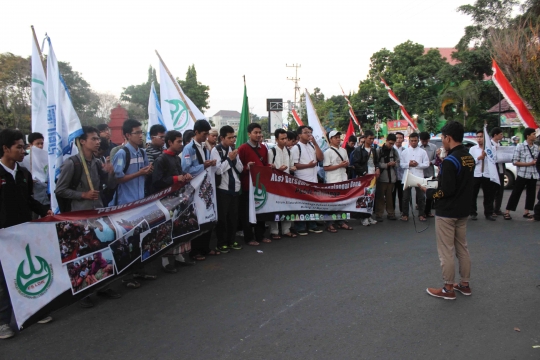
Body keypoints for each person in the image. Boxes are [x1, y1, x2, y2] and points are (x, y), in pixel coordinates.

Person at [0, 129, 54, 339]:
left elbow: (29, 200)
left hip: (24, 232)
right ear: (6, 149)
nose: (23, 151)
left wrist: (43, 211)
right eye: (19, 147)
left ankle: (33, 310)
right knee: (4, 279)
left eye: (24, 147)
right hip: (3, 235)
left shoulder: (24, 174)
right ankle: (3, 322)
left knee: (27, 269)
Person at [419, 121, 474, 300]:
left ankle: (448, 288)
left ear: (448, 138)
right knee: (462, 248)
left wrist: (429, 192)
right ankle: (464, 285)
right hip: (463, 210)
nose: (442, 141)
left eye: (442, 137)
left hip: (447, 212)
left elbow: (446, 191)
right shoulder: (468, 157)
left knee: (446, 251)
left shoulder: (450, 161)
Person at [111, 119, 156, 287]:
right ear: (128, 135)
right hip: (125, 205)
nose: (140, 136)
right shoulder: (122, 153)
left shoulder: (142, 152)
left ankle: (139, 270)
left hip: (140, 203)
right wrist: (139, 173)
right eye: (137, 133)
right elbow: (118, 177)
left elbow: (144, 171)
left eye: (141, 132)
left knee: (139, 238)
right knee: (126, 241)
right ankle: (126, 277)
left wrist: (147, 171)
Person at [152, 130, 193, 272]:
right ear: (170, 142)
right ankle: (165, 261)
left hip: (178, 198)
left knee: (179, 227)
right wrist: (176, 179)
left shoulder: (176, 158)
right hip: (166, 200)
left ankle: (179, 256)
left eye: (181, 141)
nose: (181, 144)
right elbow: (156, 181)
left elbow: (178, 173)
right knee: (166, 230)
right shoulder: (161, 159)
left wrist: (185, 175)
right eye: (179, 141)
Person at [181, 120, 219, 259]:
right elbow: (186, 169)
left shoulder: (205, 147)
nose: (206, 136)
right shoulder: (188, 148)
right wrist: (203, 166)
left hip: (206, 186)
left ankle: (206, 247)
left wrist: (211, 163)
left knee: (208, 215)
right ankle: (195, 251)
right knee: (198, 218)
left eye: (207, 134)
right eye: (204, 134)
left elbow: (207, 165)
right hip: (195, 189)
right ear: (196, 132)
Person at [211, 126, 245, 252]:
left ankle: (232, 240)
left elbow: (240, 169)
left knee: (233, 216)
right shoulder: (216, 150)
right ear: (222, 138)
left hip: (235, 188)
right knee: (223, 217)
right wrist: (229, 159)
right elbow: (218, 170)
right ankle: (222, 242)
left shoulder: (233, 150)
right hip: (223, 188)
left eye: (233, 137)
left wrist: (234, 159)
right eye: (229, 137)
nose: (232, 140)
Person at [237, 123, 272, 245]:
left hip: (260, 186)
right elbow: (238, 168)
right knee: (247, 213)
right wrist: (247, 167)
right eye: (255, 132)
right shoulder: (243, 148)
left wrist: (269, 166)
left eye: (259, 132)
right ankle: (249, 237)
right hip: (247, 186)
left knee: (261, 211)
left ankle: (260, 235)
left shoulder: (263, 148)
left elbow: (265, 164)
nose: (258, 135)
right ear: (249, 134)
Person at [290, 125, 324, 235]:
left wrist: (315, 143)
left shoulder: (312, 146)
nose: (309, 134)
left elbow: (320, 158)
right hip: (302, 179)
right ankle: (300, 226)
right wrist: (307, 166)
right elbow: (294, 165)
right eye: (306, 132)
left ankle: (312, 225)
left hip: (313, 179)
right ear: (299, 135)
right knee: (302, 204)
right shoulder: (296, 148)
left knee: (312, 203)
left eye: (310, 132)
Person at [267, 128, 298, 238]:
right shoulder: (271, 152)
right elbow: (268, 168)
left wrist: (292, 168)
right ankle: (274, 231)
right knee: (275, 206)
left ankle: (286, 229)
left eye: (286, 138)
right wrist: (278, 169)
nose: (285, 141)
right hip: (275, 183)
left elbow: (291, 166)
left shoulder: (289, 151)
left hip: (287, 182)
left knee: (287, 206)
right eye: (282, 139)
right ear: (276, 140)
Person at [504, 127, 539, 220]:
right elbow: (515, 161)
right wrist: (529, 163)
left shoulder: (536, 147)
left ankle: (527, 211)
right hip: (522, 174)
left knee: (531, 194)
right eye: (533, 134)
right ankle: (507, 211)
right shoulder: (520, 146)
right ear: (528, 136)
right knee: (516, 192)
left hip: (533, 174)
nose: (535, 136)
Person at [323, 131, 353, 232]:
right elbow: (326, 168)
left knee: (342, 202)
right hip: (333, 180)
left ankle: (341, 221)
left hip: (343, 178)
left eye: (339, 137)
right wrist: (340, 165)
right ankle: (329, 223)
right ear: (330, 139)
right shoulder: (327, 152)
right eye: (335, 137)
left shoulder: (344, 150)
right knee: (331, 204)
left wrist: (345, 164)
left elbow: (347, 163)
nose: (338, 139)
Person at [351, 130, 379, 226]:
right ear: (365, 138)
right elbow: (356, 163)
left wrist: (378, 169)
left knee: (371, 196)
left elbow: (376, 162)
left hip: (373, 177)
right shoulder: (358, 150)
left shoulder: (374, 150)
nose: (371, 140)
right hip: (363, 177)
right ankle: (363, 217)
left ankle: (369, 215)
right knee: (363, 197)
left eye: (372, 138)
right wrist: (364, 173)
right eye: (370, 138)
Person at [399, 132, 429, 222]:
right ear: (409, 141)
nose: (414, 142)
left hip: (419, 176)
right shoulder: (404, 152)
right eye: (412, 141)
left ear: (418, 140)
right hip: (407, 176)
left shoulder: (423, 152)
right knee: (405, 197)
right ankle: (405, 214)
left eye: (415, 140)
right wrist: (409, 164)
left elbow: (426, 164)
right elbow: (401, 164)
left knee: (421, 197)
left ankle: (421, 214)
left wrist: (417, 164)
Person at [469, 130, 497, 221]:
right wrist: (479, 158)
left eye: (481, 137)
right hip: (476, 174)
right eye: (478, 137)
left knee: (488, 195)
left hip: (487, 174)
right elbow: (470, 162)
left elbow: (494, 160)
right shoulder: (473, 149)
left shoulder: (491, 149)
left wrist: (487, 155)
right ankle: (473, 212)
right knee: (473, 194)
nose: (479, 139)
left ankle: (488, 213)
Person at [374, 134, 400, 221]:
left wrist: (394, 164)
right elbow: (376, 163)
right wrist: (386, 165)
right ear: (386, 140)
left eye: (393, 144)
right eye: (390, 143)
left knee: (390, 197)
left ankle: (391, 213)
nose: (391, 145)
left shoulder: (394, 151)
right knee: (380, 197)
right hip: (381, 177)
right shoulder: (378, 151)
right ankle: (379, 214)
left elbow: (399, 162)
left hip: (391, 178)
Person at [419, 132, 438, 218]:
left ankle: (428, 211)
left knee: (430, 193)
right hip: (420, 173)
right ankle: (421, 212)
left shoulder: (433, 147)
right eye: (423, 141)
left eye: (426, 141)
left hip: (430, 173)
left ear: (428, 140)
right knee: (421, 194)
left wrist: (431, 162)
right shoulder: (418, 147)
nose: (424, 143)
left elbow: (436, 159)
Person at [490, 127, 506, 216]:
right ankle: (491, 209)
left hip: (501, 169)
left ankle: (497, 209)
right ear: (495, 135)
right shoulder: (489, 145)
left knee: (500, 191)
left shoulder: (501, 144)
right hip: (493, 170)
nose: (502, 136)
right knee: (492, 191)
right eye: (501, 134)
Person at [392, 132, 406, 216]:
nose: (399, 139)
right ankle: (392, 212)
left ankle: (403, 211)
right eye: (397, 138)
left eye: (400, 138)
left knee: (403, 196)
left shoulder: (405, 150)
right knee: (392, 195)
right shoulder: (391, 149)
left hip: (402, 176)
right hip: (393, 175)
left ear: (403, 139)